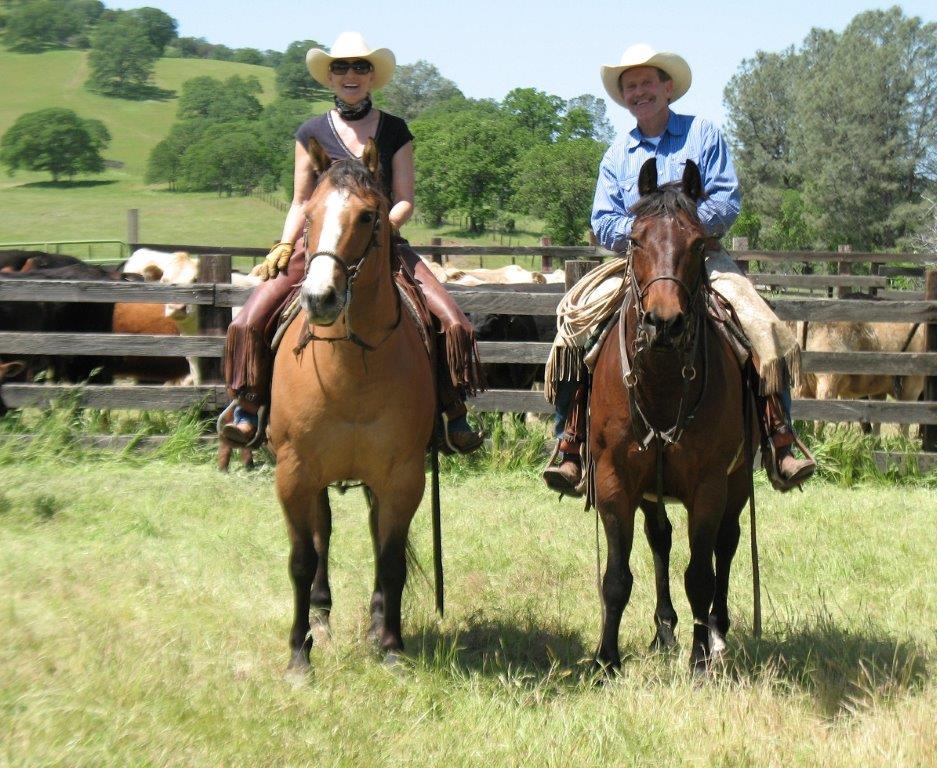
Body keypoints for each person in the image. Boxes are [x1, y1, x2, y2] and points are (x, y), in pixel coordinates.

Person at [542, 43, 815, 495]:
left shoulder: (703, 136)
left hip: (701, 257)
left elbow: (726, 199)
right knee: (574, 326)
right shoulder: (617, 154)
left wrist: (681, 231)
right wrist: (650, 236)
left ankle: (778, 439)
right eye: (631, 86)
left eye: (648, 82)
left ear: (668, 88)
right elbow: (602, 219)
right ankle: (569, 444)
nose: (640, 92)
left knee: (761, 325)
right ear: (624, 96)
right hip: (638, 263)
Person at [219, 32, 484, 453]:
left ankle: (452, 412)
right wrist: (285, 246)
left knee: (453, 321)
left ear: (372, 77)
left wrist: (381, 227)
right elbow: (302, 200)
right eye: (341, 67)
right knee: (246, 321)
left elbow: (405, 200)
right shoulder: (310, 131)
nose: (350, 74)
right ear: (329, 77)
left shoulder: (395, 129)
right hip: (318, 244)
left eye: (360, 67)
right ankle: (249, 406)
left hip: (382, 243)